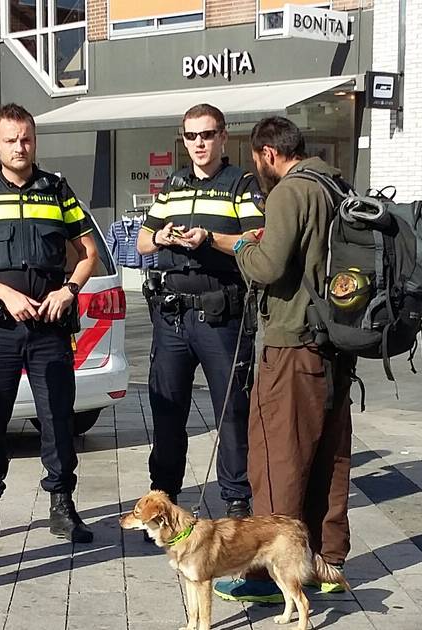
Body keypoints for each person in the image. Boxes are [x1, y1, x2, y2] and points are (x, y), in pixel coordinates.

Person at [214, 117, 355, 603]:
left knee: (277, 460)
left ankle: (268, 578)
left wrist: (237, 246)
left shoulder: (289, 193)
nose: (259, 168)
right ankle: (328, 564)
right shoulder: (336, 184)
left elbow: (269, 266)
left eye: (257, 160)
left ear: (268, 154)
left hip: (293, 344)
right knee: (329, 458)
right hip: (336, 345)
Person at [0, 104, 100, 545]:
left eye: (27, 138)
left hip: (50, 328)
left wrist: (68, 289)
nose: (20, 147)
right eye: (11, 139)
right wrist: (5, 294)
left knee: (57, 418)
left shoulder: (57, 190)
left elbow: (88, 251)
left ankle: (62, 504)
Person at [134, 103, 266, 523]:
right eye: (191, 136)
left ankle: (236, 499)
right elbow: (140, 242)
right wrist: (164, 236)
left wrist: (209, 238)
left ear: (223, 137)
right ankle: (164, 495)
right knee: (167, 408)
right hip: (173, 316)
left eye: (207, 135)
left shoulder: (241, 184)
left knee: (231, 411)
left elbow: (255, 239)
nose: (199, 144)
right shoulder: (172, 186)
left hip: (221, 314)